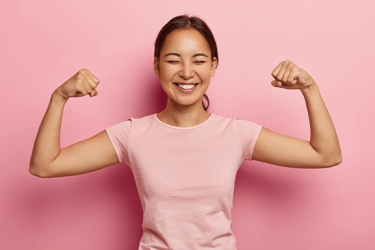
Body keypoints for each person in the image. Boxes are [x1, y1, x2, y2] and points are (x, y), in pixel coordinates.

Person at [29, 14, 342, 250]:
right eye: (173, 60)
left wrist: (310, 89)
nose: (187, 72)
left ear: (213, 66)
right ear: (157, 66)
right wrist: (59, 97)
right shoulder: (132, 135)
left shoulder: (235, 133)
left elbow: (325, 155)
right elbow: (45, 165)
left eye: (199, 60)